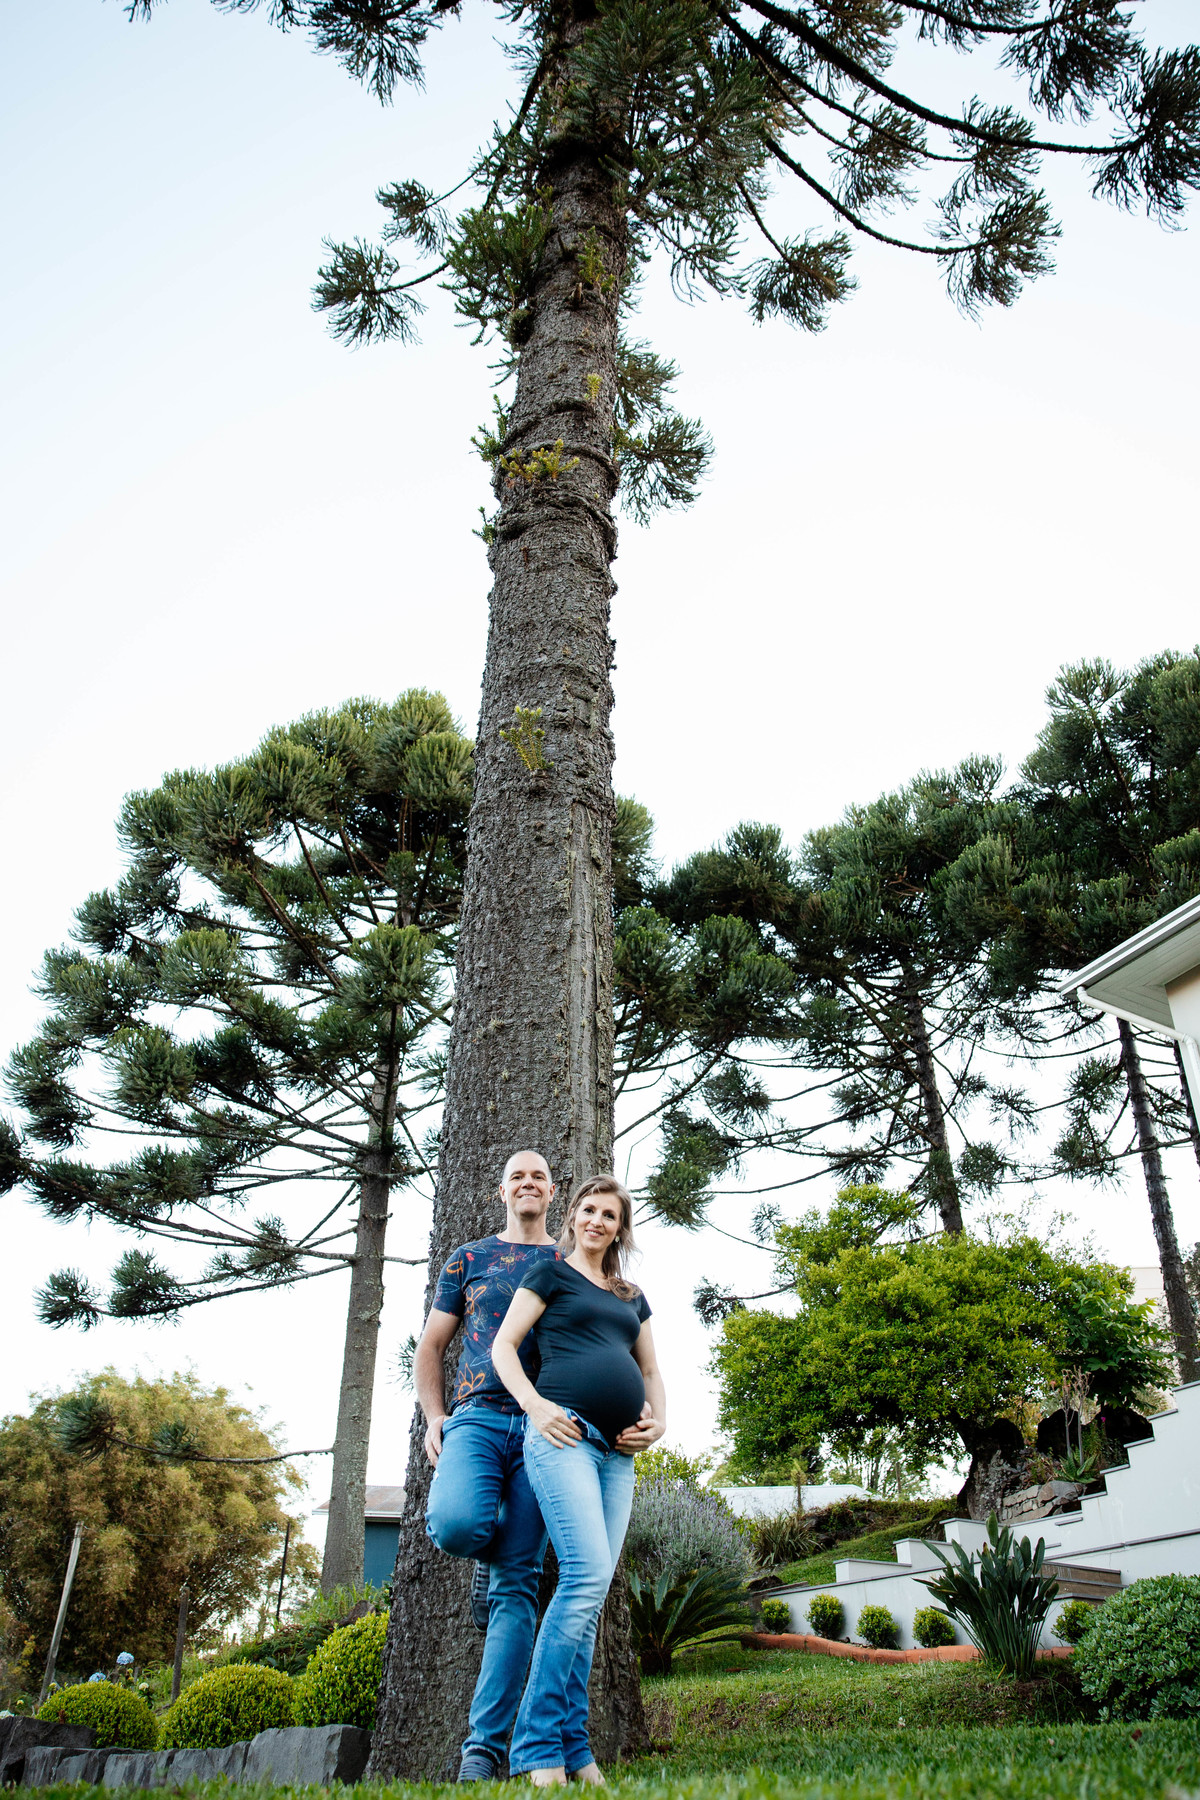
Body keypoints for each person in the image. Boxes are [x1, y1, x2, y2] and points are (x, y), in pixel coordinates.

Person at [491, 1174, 666, 1787]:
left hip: (618, 1455)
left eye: (609, 1215)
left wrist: (659, 1423)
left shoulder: (630, 1295)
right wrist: (536, 1407)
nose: (597, 1221)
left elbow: (651, 1370)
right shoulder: (550, 1276)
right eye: (588, 1210)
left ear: (620, 1229)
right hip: (563, 1439)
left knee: (589, 1597)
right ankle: (537, 1748)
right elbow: (505, 1347)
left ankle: (575, 1747)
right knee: (586, 1577)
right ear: (573, 1217)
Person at [416, 1149, 561, 1782]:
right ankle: (487, 1549)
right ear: (502, 1190)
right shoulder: (468, 1258)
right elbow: (431, 1345)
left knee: (516, 1587)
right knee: (456, 1525)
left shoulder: (570, 1261)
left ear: (552, 1191)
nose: (528, 1184)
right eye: (517, 1176)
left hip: (545, 1428)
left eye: (538, 1176)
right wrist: (434, 1416)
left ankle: (482, 1752)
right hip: (475, 1417)